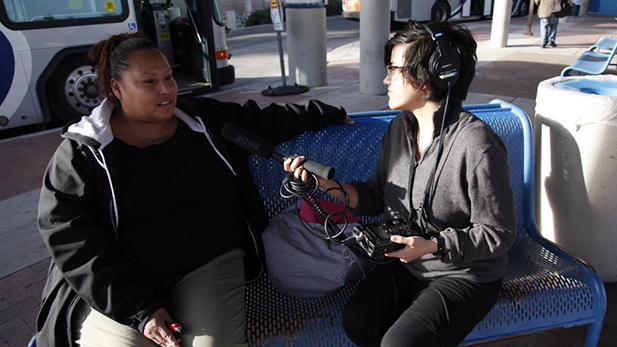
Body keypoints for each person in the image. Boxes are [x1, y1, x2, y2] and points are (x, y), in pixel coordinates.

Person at [35, 31, 350, 347]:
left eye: (169, 77)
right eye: (149, 82)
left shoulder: (203, 121)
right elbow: (70, 237)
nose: (166, 89)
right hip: (119, 282)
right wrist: (139, 309)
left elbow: (263, 119)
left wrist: (330, 113)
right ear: (117, 88)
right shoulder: (83, 153)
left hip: (208, 265)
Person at [285, 20, 516, 347]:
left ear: (432, 75)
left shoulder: (477, 145)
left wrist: (436, 245)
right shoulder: (399, 129)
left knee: (400, 342)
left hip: (465, 274)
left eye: (394, 69)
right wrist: (321, 186)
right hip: (411, 260)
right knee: (358, 321)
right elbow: (376, 196)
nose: (386, 79)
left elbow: (499, 233)